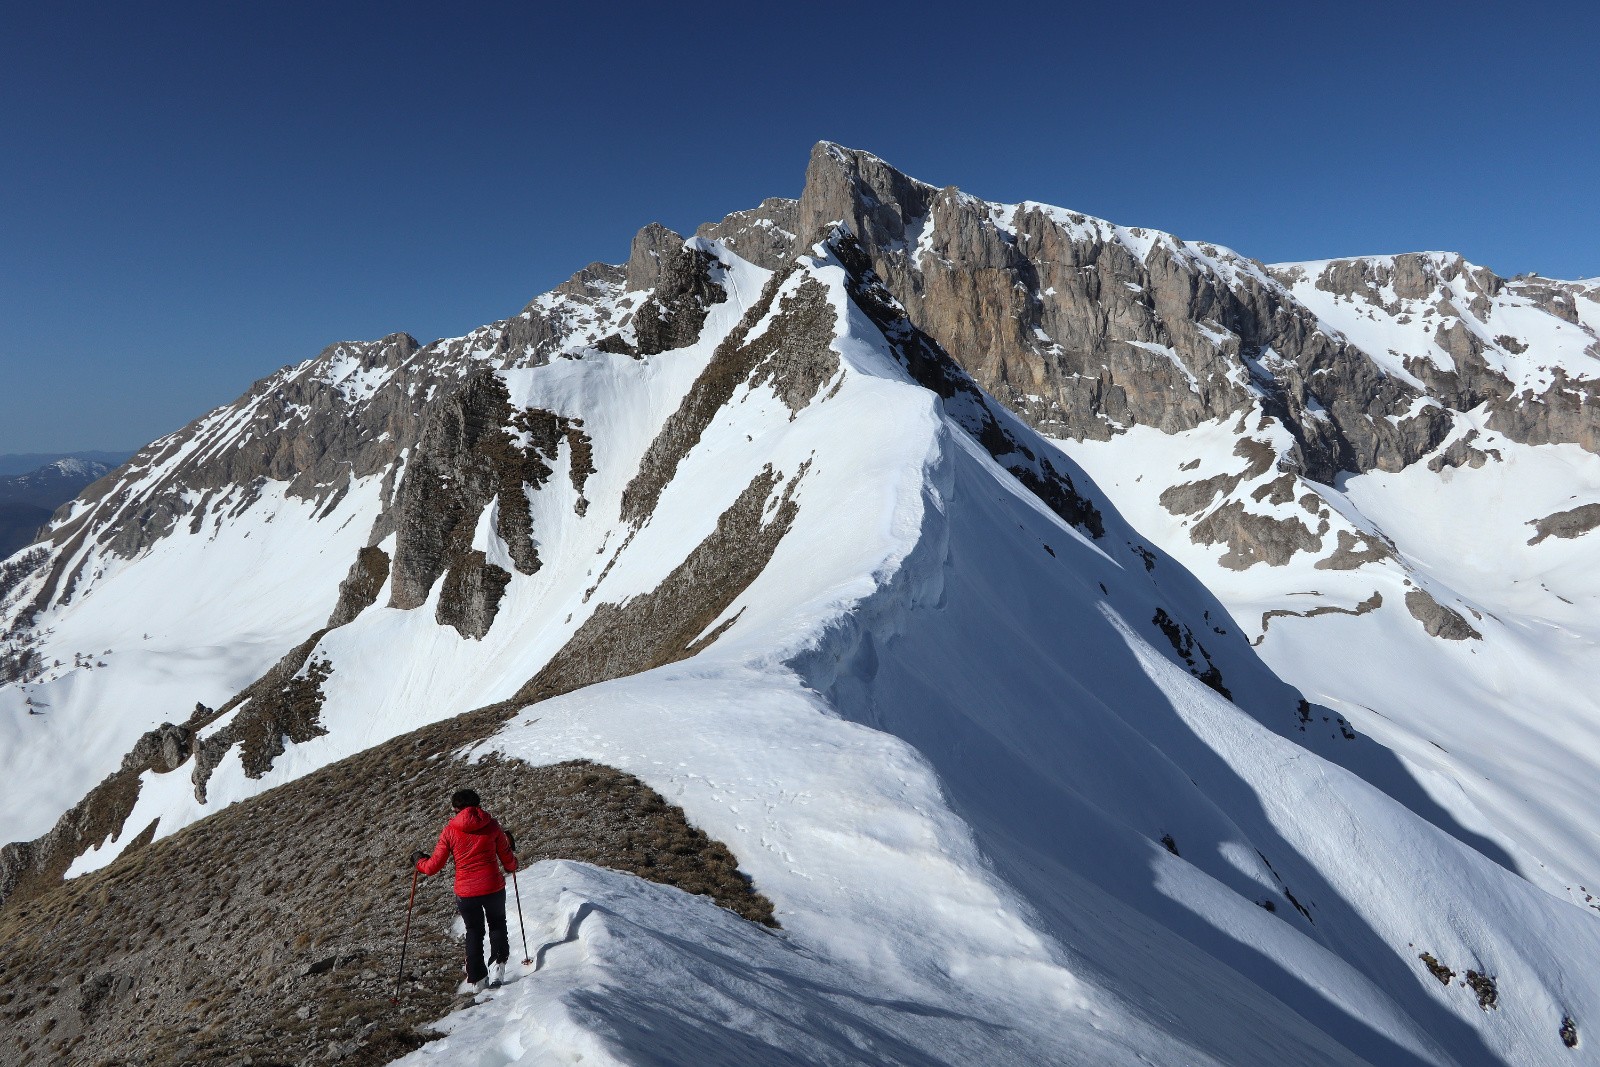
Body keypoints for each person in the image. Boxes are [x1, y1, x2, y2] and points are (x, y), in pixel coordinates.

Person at [413, 788, 519, 993]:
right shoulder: (492, 825)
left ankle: (477, 980)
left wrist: (418, 861)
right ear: (478, 805)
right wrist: (512, 863)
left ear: (455, 809)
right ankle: (498, 968)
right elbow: (507, 859)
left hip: (466, 892)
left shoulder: (450, 831)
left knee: (473, 931)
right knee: (497, 924)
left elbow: (432, 866)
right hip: (492, 886)